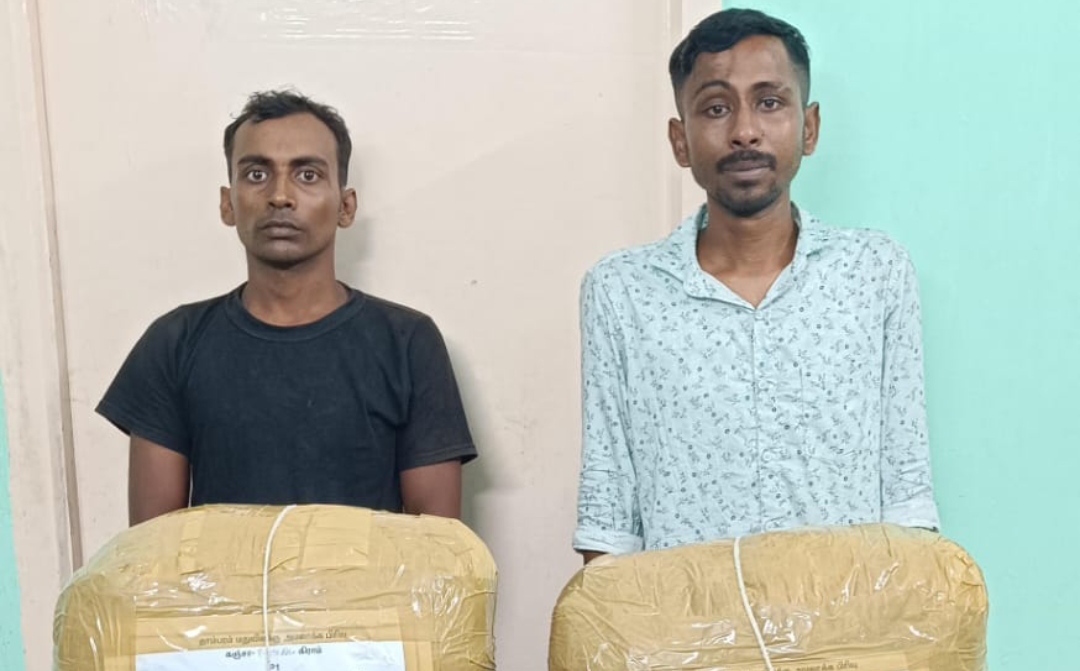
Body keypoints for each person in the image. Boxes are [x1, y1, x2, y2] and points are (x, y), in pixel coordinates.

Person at [574, 9, 939, 562]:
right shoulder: (622, 292)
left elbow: (907, 493)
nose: (744, 131)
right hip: (688, 617)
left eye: (769, 102)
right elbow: (608, 517)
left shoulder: (874, 273)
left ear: (809, 127)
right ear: (679, 140)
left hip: (842, 614)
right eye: (716, 108)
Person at [97, 90, 476, 525]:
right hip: (217, 575)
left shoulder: (407, 343)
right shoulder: (174, 343)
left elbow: (437, 548)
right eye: (257, 174)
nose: (280, 196)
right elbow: (153, 547)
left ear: (346, 206)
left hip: (368, 576)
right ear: (227, 203)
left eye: (307, 175)